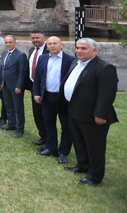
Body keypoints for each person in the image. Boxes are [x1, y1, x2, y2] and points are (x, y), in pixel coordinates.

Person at [59, 38, 119, 186]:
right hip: (74, 111)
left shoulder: (105, 68)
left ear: (94, 50)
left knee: (95, 147)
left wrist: (100, 113)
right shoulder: (75, 63)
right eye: (77, 48)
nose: (79, 51)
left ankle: (94, 177)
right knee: (79, 142)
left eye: (83, 48)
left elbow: (107, 93)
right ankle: (82, 166)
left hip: (92, 116)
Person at [33, 36, 76, 164]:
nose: (52, 46)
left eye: (55, 43)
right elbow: (37, 77)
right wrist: (37, 93)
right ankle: (52, 148)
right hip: (47, 96)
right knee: (49, 123)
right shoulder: (43, 58)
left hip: (62, 98)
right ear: (47, 46)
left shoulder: (70, 60)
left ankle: (63, 152)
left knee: (65, 125)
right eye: (50, 43)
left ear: (61, 45)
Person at [0, 35, 28, 138]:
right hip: (5, 85)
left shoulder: (21, 55)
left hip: (15, 87)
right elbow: (2, 68)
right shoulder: (4, 53)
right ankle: (11, 124)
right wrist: (0, 81)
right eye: (6, 42)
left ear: (15, 43)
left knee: (18, 108)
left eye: (10, 42)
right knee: (9, 106)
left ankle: (20, 129)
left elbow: (22, 73)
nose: (8, 44)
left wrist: (19, 86)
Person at [25, 30, 49, 147]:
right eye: (33, 38)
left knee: (46, 115)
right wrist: (30, 86)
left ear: (44, 38)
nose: (35, 40)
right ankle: (43, 136)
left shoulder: (50, 50)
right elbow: (30, 68)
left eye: (38, 37)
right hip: (35, 87)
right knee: (37, 113)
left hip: (47, 88)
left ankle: (49, 140)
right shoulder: (32, 50)